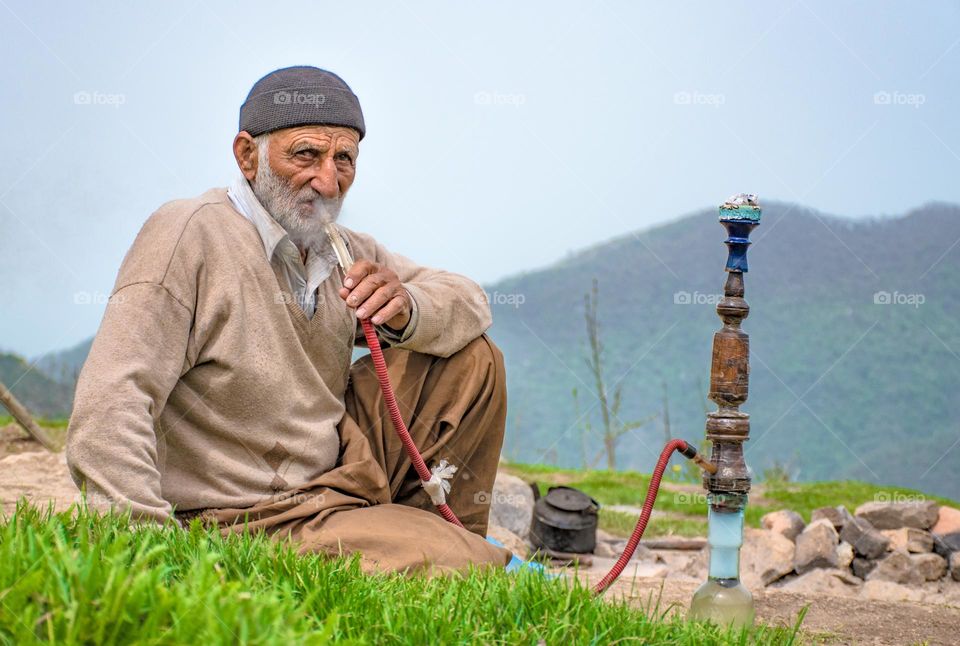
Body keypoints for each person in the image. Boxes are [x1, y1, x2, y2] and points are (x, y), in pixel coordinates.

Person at [66, 66, 510, 574]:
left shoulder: (342, 248)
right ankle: (431, 551)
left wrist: (407, 305)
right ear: (247, 155)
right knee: (472, 564)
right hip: (243, 516)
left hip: (337, 475)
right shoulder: (188, 234)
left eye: (344, 158)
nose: (328, 180)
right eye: (306, 154)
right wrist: (147, 547)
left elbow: (471, 300)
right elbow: (111, 400)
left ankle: (418, 532)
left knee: (473, 359)